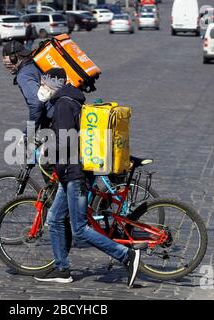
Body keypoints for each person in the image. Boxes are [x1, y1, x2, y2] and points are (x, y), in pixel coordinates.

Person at [34, 68, 141, 288]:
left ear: (54, 84)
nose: (41, 88)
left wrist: (47, 149)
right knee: (54, 218)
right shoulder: (70, 100)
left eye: (44, 84)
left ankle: (125, 255)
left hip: (75, 174)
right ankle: (62, 269)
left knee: (80, 229)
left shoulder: (63, 105)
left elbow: (66, 141)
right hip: (70, 173)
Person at [2, 40, 52, 133]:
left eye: (5, 58)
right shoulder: (35, 64)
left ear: (14, 57)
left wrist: (29, 132)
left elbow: (36, 103)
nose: (4, 63)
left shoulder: (24, 74)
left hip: (56, 119)